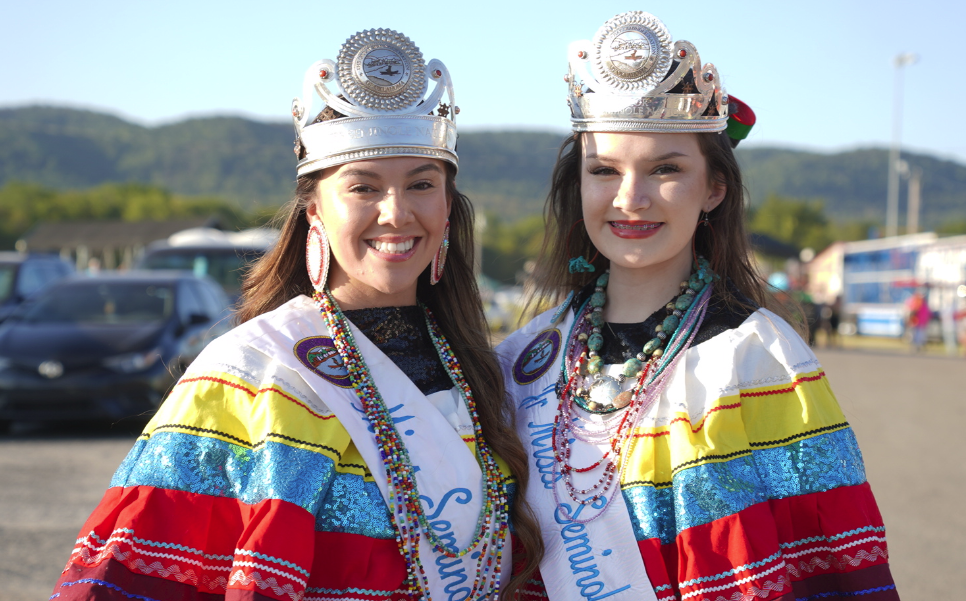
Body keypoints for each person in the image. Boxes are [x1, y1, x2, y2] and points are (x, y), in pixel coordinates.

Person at [53, 28, 541, 601]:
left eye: (421, 184)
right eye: (363, 186)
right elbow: (132, 577)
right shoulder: (250, 371)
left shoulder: (483, 371)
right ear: (314, 209)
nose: (396, 212)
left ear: (448, 206)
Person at [496, 12, 897, 601]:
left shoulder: (758, 358)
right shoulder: (526, 355)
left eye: (665, 169)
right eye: (603, 170)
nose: (630, 198)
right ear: (576, 185)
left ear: (714, 188)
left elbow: (833, 564)